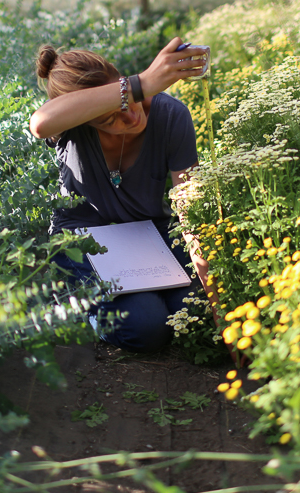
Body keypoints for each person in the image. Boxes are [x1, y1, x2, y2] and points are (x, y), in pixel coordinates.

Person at [29, 37, 211, 352]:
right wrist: (140, 85)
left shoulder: (170, 116)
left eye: (129, 102)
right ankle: (82, 301)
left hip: (149, 236)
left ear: (121, 77)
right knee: (146, 326)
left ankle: (146, 296)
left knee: (196, 308)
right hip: (85, 241)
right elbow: (42, 123)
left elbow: (189, 205)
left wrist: (211, 284)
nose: (129, 118)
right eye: (108, 118)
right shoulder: (71, 127)